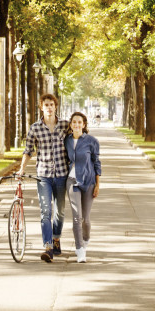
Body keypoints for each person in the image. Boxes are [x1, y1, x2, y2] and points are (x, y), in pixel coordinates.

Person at [20, 92, 70, 262]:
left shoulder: (65, 125)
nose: (49, 107)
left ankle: (56, 238)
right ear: (41, 107)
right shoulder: (35, 128)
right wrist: (21, 170)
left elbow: (76, 139)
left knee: (60, 212)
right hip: (43, 175)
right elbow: (28, 151)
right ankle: (48, 246)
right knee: (45, 211)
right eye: (46, 105)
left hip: (62, 174)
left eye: (51, 104)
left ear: (56, 107)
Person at [65, 111, 101, 263]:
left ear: (84, 125)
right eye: (74, 122)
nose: (77, 125)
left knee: (85, 219)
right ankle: (80, 250)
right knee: (76, 217)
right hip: (72, 181)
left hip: (89, 182)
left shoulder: (91, 141)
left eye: (80, 122)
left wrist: (97, 184)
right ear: (71, 124)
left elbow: (97, 162)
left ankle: (85, 239)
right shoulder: (66, 140)